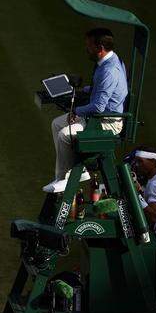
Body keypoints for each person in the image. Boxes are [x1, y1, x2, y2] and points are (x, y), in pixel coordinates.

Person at [44, 28, 128, 193]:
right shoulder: (108, 61)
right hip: (97, 118)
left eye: (89, 45)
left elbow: (98, 107)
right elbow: (103, 90)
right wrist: (85, 89)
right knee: (56, 124)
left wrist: (76, 111)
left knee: (65, 134)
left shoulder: (109, 70)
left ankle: (65, 179)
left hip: (107, 123)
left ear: (100, 47)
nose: (86, 49)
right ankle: (66, 174)